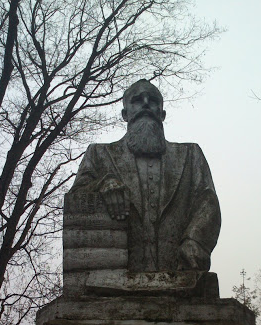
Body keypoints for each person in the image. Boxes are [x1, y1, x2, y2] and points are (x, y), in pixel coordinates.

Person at [70, 79, 221, 272]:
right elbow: (76, 198)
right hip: (117, 278)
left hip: (179, 274)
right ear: (125, 114)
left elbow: (207, 201)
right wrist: (102, 184)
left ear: (162, 113)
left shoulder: (191, 155)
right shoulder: (98, 155)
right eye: (137, 100)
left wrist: (195, 242)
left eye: (153, 100)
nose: (146, 103)